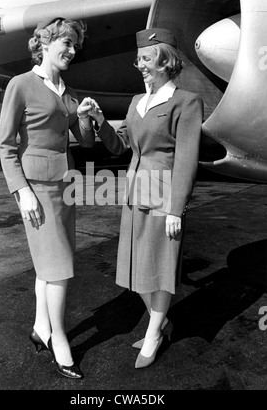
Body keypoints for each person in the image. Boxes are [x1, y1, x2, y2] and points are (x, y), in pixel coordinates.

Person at [87, 27, 204, 368]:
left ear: (166, 61)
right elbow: (120, 144)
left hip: (163, 194)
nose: (140, 64)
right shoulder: (138, 102)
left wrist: (176, 208)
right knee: (138, 268)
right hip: (136, 192)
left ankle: (153, 333)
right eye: (138, 58)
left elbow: (185, 158)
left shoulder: (185, 102)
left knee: (160, 266)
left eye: (147, 58)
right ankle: (161, 320)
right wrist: (98, 122)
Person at [0, 17, 96, 379]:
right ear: (45, 42)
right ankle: (59, 339)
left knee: (51, 265)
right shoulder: (21, 85)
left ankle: (41, 327)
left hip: (64, 187)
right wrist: (21, 191)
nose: (72, 51)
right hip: (36, 189)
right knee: (58, 270)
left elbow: (84, 141)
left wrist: (83, 116)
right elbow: (6, 146)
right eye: (66, 43)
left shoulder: (66, 93)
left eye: (75, 46)